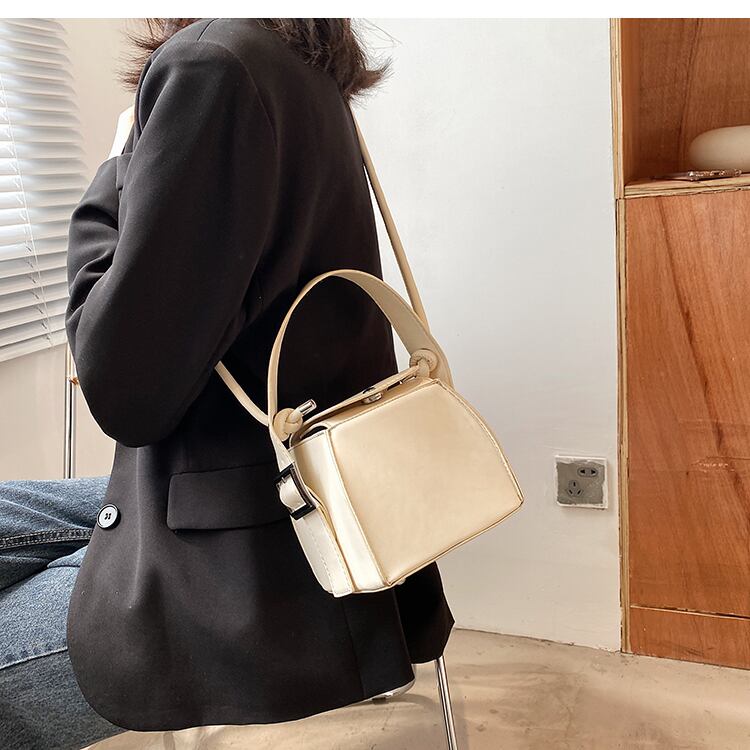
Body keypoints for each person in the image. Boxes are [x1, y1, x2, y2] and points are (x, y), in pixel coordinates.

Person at [0, 18, 453, 750]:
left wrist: (114, 172)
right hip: (269, 490)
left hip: (250, 555)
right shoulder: (298, 68)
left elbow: (123, 393)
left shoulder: (212, 67)